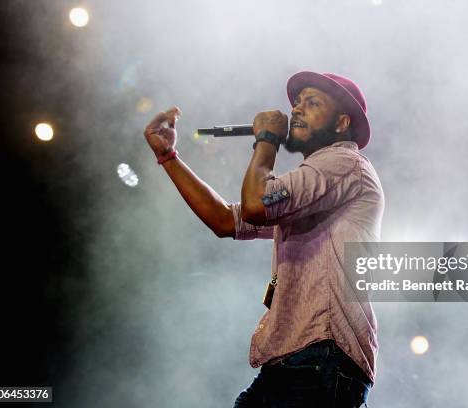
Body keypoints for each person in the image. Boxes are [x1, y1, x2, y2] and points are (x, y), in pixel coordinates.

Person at [143, 71, 384, 407]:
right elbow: (226, 219)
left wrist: (267, 139)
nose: (296, 110)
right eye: (296, 103)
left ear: (342, 122)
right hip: (295, 362)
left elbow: (256, 205)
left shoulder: (344, 163)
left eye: (312, 103)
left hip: (320, 360)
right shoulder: (315, 184)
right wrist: (169, 157)